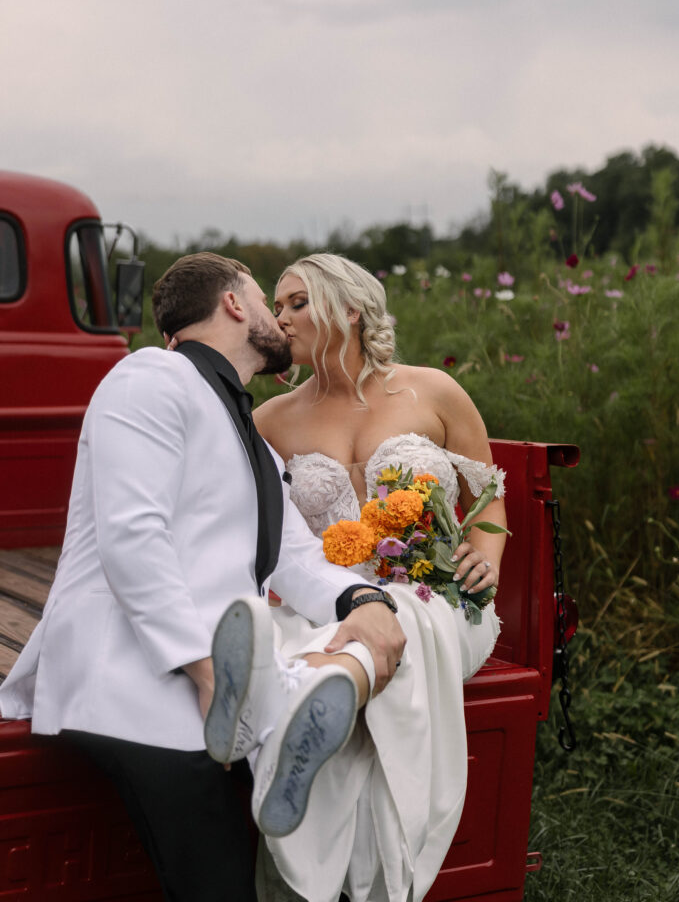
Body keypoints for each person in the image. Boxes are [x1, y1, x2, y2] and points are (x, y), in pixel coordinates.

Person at [0, 252, 406, 902]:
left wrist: (364, 598)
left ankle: (287, 722)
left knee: (371, 628)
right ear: (233, 303)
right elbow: (133, 538)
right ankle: (280, 718)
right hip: (136, 687)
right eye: (263, 298)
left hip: (221, 696)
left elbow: (294, 560)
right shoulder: (147, 378)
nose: (277, 316)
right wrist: (207, 672)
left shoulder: (249, 436)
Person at [253, 253, 507, 902]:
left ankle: (313, 694)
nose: (279, 317)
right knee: (314, 626)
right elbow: (255, 528)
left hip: (440, 600)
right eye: (276, 305)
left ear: (349, 309)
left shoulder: (433, 391)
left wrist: (485, 552)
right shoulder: (271, 419)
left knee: (397, 608)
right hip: (330, 607)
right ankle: (316, 706)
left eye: (294, 302)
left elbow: (488, 497)